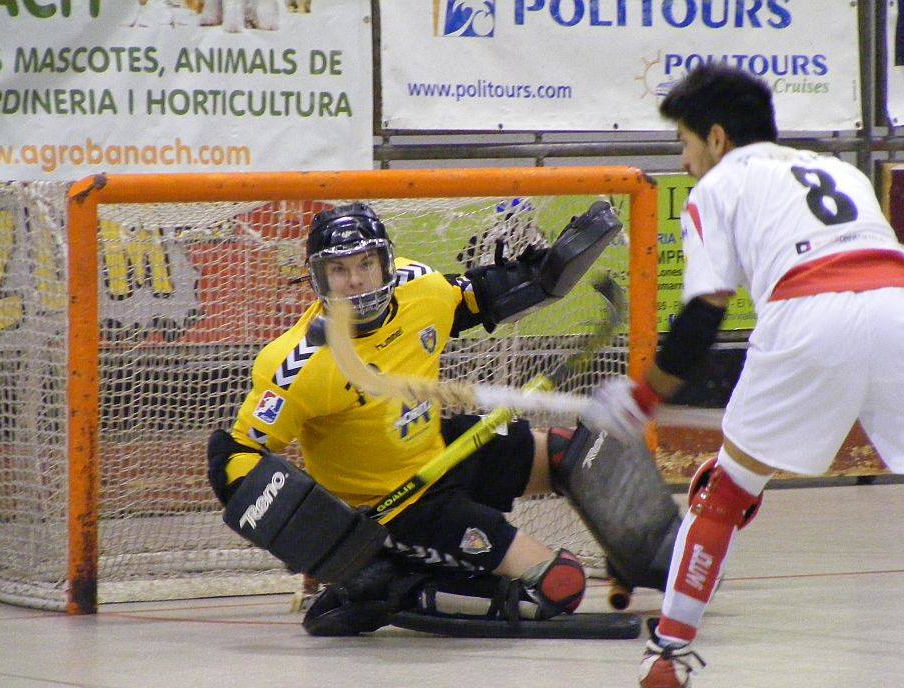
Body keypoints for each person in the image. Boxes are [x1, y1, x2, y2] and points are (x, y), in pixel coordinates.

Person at [585, 63, 904, 688]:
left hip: (809, 313)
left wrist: (642, 399)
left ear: (717, 138)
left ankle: (668, 656)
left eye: (685, 144)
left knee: (725, 491)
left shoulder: (719, 185)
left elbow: (703, 317)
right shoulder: (839, 169)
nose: (685, 161)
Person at [207, 201, 607, 636]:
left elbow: (473, 298)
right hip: (398, 511)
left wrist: (546, 274)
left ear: (386, 262)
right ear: (317, 278)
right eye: (339, 270)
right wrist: (324, 545)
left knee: (579, 455)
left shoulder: (420, 286)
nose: (356, 279)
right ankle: (395, 587)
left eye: (366, 263)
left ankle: (652, 564)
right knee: (559, 584)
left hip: (442, 451)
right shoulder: (296, 366)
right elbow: (237, 456)